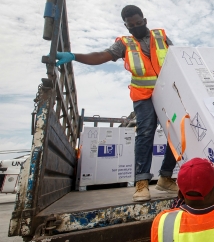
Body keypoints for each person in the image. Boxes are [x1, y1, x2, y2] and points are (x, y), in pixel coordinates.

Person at [53, 5, 178, 201]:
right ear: (126, 26)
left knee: (176, 132)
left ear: (144, 20)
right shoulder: (124, 43)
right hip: (143, 96)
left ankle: (166, 177)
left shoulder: (160, 36)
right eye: (132, 25)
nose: (136, 27)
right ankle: (142, 184)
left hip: (166, 93)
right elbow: (101, 56)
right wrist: (74, 56)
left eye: (139, 23)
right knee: (146, 132)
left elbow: (176, 58)